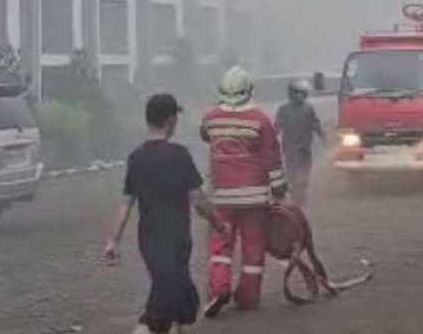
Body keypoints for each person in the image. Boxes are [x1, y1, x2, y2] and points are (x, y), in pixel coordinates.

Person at [103, 93, 226, 334]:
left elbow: (126, 203)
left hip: (149, 241)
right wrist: (218, 223)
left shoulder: (137, 158)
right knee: (169, 299)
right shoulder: (179, 155)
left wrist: (113, 240)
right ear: (170, 121)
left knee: (172, 297)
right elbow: (198, 199)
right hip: (177, 239)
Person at [201, 67, 287, 317]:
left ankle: (218, 289)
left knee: (220, 246)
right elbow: (272, 158)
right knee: (253, 247)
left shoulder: (210, 118)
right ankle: (248, 297)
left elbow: (205, 135)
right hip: (255, 198)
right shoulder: (261, 119)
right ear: (249, 91)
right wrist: (280, 190)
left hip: (222, 197)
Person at [274, 79, 324, 206]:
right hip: (290, 150)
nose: (299, 96)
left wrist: (324, 137)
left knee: (305, 175)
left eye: (301, 93)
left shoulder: (308, 109)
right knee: (292, 175)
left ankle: (301, 197)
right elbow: (276, 128)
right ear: (291, 94)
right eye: (296, 93)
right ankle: (295, 198)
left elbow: (315, 125)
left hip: (305, 149)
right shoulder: (284, 110)